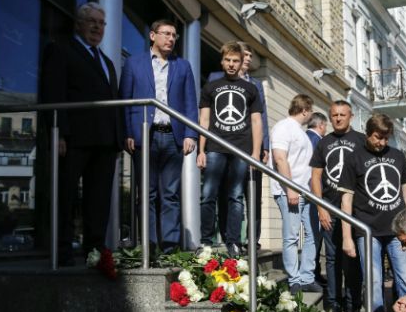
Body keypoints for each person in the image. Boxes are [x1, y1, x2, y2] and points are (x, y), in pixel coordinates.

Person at [40, 2, 124, 266]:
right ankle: (62, 252)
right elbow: (52, 93)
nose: (97, 27)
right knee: (65, 196)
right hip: (74, 139)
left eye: (101, 23)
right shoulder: (61, 49)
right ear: (79, 23)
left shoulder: (107, 62)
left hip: (105, 142)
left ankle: (94, 251)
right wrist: (59, 133)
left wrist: (118, 138)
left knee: (98, 201)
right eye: (92, 21)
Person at [339, 113, 406, 312]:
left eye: (386, 138)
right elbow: (346, 199)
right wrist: (347, 237)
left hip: (398, 232)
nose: (382, 142)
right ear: (367, 133)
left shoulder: (397, 157)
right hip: (367, 232)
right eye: (377, 137)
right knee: (373, 285)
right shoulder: (354, 158)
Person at [120, 19, 198, 254]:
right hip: (145, 136)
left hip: (173, 137)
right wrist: (127, 132)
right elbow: (125, 100)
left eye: (175, 35)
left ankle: (169, 246)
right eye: (166, 34)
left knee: (171, 195)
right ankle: (149, 244)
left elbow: (190, 103)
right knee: (147, 193)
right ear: (153, 36)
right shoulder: (134, 64)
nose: (171, 39)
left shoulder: (183, 66)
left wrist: (191, 134)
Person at [197, 41, 263, 258]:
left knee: (235, 197)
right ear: (222, 61)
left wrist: (255, 153)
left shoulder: (251, 89)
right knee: (208, 194)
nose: (232, 64)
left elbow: (256, 122)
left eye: (236, 61)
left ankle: (233, 242)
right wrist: (201, 150)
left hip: (242, 150)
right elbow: (204, 120)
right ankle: (206, 241)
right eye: (228, 60)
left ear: (242, 62)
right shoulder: (210, 87)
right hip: (216, 147)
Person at [310, 101, 366, 312]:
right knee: (332, 259)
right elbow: (315, 177)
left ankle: (353, 303)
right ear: (330, 117)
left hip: (355, 210)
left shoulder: (361, 140)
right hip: (330, 209)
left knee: (353, 258)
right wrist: (320, 207)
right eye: (334, 115)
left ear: (351, 116)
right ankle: (334, 303)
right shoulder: (324, 143)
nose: (339, 118)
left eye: (343, 114)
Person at [269, 94, 320, 293]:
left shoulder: (299, 131)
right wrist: (290, 188)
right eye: (311, 110)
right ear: (305, 110)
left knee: (311, 235)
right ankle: (294, 280)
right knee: (291, 237)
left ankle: (307, 276)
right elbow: (280, 159)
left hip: (307, 193)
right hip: (290, 191)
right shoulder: (283, 127)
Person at [305, 112, 328, 289]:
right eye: (325, 126)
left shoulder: (304, 137)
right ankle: (313, 273)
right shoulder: (317, 141)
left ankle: (314, 271)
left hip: (306, 191)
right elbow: (317, 173)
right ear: (320, 125)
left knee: (312, 235)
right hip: (314, 193)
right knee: (314, 235)